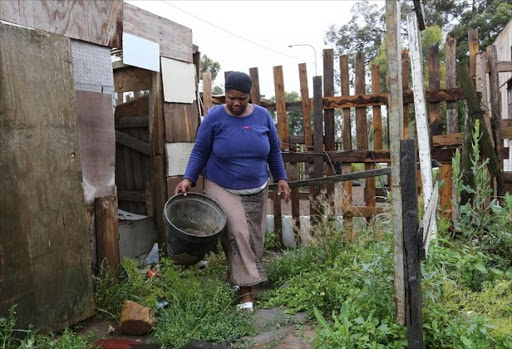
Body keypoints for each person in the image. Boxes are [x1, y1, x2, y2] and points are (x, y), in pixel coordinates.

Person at [175, 71, 290, 312]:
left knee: (253, 239)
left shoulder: (262, 117)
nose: (236, 103)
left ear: (250, 96)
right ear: (224, 95)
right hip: (221, 185)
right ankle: (246, 293)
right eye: (230, 98)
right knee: (238, 234)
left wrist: (281, 178)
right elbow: (200, 151)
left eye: (242, 98)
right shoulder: (214, 118)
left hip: (257, 187)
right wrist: (188, 178)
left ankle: (233, 275)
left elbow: (274, 151)